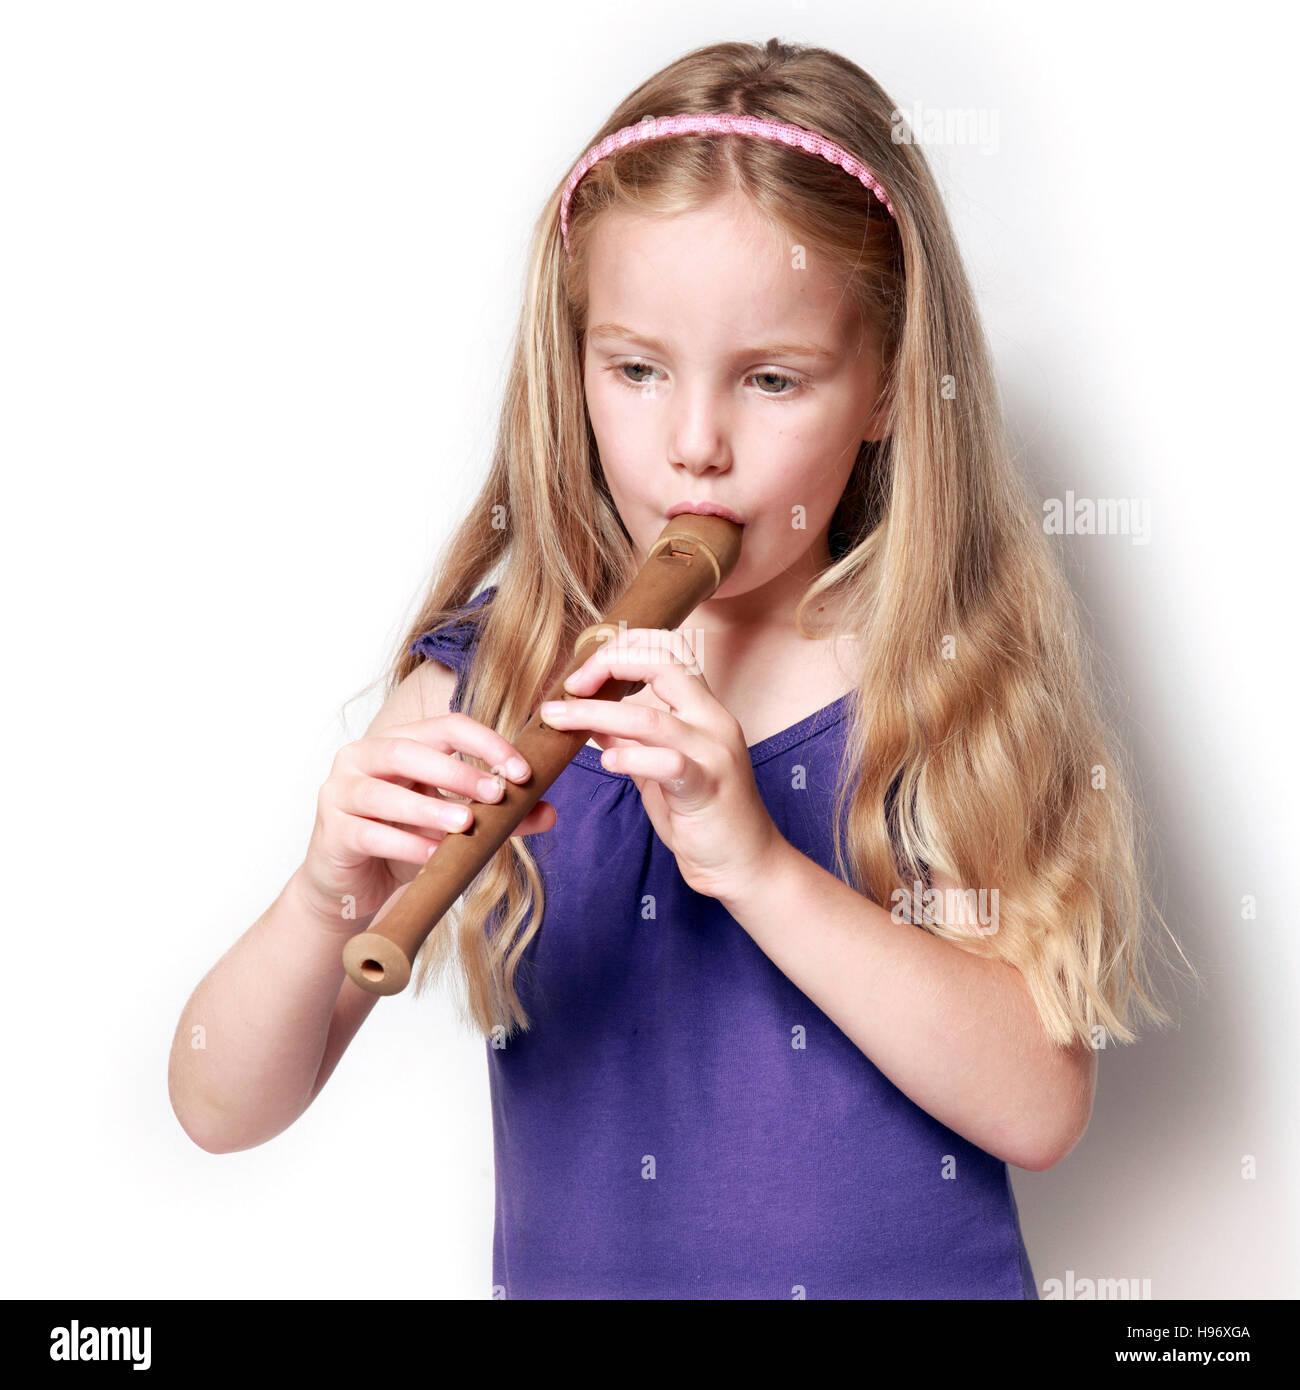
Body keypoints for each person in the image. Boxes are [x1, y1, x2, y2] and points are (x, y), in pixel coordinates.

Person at [169, 37, 1192, 1299]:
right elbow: (219, 1106)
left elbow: (1040, 1103)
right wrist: (330, 890)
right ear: (576, 361)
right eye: (638, 369)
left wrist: (755, 866)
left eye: (770, 379)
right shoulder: (492, 682)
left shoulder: (945, 679)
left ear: (883, 387)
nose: (693, 447)